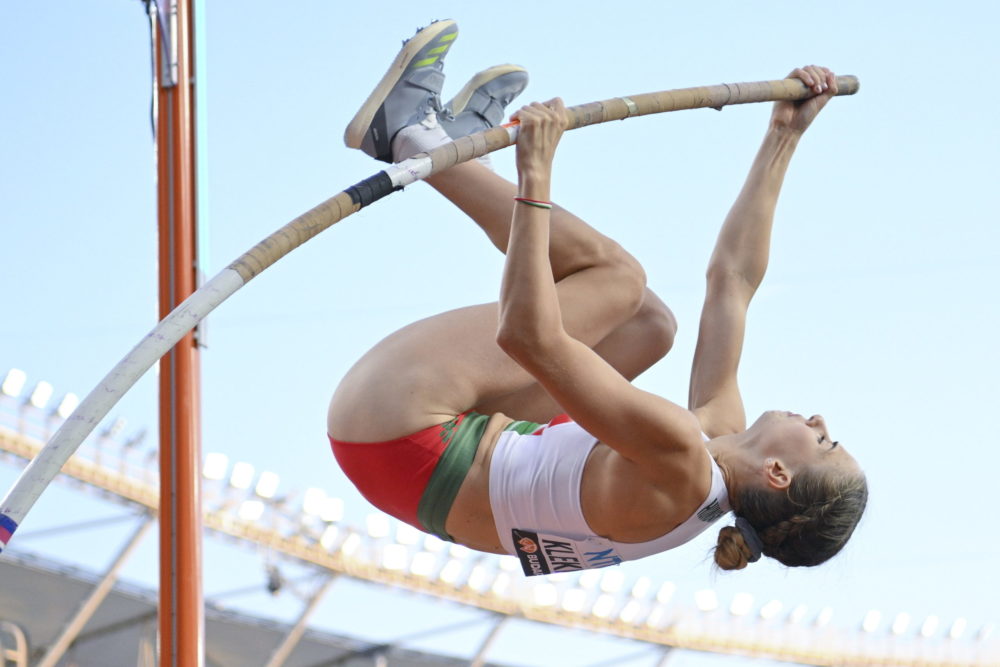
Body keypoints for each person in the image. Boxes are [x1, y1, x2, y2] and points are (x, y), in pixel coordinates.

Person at [329, 20, 867, 575]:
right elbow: (732, 282)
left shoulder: (679, 459)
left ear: (778, 473)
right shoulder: (715, 446)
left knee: (618, 278)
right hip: (405, 465)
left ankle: (408, 135)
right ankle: (461, 163)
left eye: (824, 442)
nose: (820, 420)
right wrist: (784, 136)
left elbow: (527, 337)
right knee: (650, 324)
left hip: (396, 425)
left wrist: (535, 175)